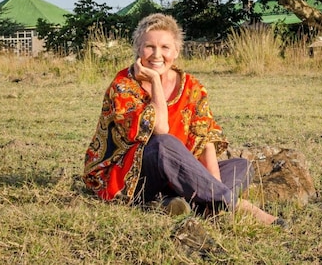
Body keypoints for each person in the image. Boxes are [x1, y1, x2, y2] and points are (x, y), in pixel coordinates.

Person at [83, 13, 281, 226]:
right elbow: (160, 127)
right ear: (138, 49)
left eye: (165, 47)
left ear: (176, 51)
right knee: (163, 143)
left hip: (178, 172)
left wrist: (213, 184)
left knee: (242, 166)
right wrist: (155, 81)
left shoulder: (192, 86)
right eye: (149, 46)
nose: (157, 54)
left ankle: (189, 204)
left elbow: (205, 140)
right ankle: (233, 204)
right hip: (131, 175)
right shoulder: (123, 85)